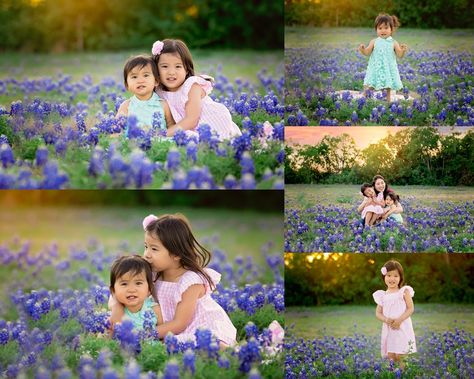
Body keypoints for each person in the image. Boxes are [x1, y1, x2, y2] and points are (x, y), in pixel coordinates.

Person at [110, 213, 237, 347]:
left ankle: (228, 351)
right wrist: (117, 308)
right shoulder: (151, 273)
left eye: (154, 249)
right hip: (167, 329)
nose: (146, 254)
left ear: (176, 253)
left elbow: (179, 323)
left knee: (209, 345)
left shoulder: (191, 282)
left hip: (200, 328)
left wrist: (143, 335)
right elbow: (116, 288)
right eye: (146, 246)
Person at [151, 39, 242, 140]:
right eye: (164, 66)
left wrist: (164, 133)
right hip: (184, 128)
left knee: (194, 140)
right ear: (155, 69)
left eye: (178, 66)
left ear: (186, 69)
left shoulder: (192, 86)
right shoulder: (158, 90)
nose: (171, 72)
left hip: (211, 125)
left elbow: (192, 120)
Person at [373, 260, 416, 370]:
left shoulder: (404, 291)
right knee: (391, 355)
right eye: (389, 275)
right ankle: (392, 373)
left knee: (400, 355)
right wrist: (386, 320)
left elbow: (411, 308)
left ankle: (402, 373)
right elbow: (378, 313)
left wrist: (399, 320)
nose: (392, 278)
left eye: (396, 276)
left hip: (402, 327)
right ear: (384, 277)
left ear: (400, 277)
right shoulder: (383, 295)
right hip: (389, 328)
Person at [116, 55, 175, 136]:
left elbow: (171, 126)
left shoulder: (163, 104)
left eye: (146, 75)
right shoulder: (126, 106)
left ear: (156, 81)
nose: (140, 80)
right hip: (133, 144)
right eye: (134, 77)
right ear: (127, 85)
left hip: (158, 143)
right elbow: (117, 130)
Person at [358, 14, 408, 102]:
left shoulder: (393, 42)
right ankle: (364, 96)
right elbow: (367, 52)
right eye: (380, 28)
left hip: (388, 67)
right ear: (376, 29)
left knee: (388, 84)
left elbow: (399, 55)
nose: (383, 30)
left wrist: (403, 50)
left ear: (391, 29)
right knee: (372, 84)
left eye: (386, 28)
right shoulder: (374, 41)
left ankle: (388, 100)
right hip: (376, 67)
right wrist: (362, 50)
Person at [109, 255, 163, 330]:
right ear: (113, 291)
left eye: (138, 283)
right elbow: (108, 338)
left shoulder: (154, 310)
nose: (131, 290)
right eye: (124, 284)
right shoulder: (116, 313)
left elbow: (164, 336)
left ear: (149, 289)